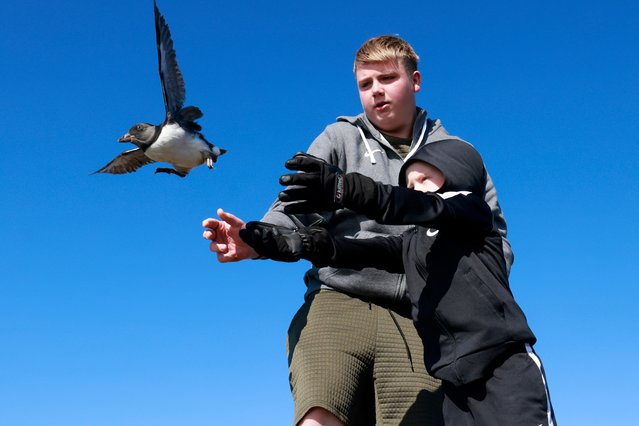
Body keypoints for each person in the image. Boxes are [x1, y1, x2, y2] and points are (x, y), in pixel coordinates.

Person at [202, 35, 513, 425]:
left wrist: (463, 297)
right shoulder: (339, 138)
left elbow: (495, 241)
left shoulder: (457, 153)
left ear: (415, 81)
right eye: (366, 85)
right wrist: (257, 239)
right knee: (319, 415)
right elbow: (293, 208)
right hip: (339, 296)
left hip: (422, 311)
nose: (376, 92)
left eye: (387, 79)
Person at [239, 139, 557, 425]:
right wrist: (305, 243)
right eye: (408, 183)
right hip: (452, 382)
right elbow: (370, 250)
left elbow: (424, 206)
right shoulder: (413, 243)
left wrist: (344, 189)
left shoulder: (472, 213)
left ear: (456, 172)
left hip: (502, 367)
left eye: (424, 178)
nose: (414, 188)